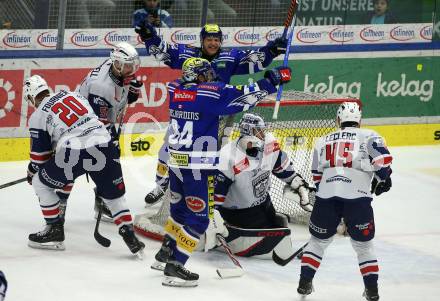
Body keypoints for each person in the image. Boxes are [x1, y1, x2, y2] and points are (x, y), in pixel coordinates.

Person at [151, 57, 292, 287]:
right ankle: (175, 266)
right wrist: (272, 80)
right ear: (198, 76)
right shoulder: (209, 94)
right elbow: (245, 96)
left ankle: (166, 251)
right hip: (197, 168)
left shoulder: (174, 89)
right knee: (198, 219)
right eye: (206, 74)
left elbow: (195, 88)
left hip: (176, 165)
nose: (210, 78)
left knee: (179, 213)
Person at [134, 22, 288, 206]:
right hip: (191, 110)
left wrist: (271, 50)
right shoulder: (188, 55)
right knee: (167, 148)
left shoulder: (230, 56)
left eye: (216, 40)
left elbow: (256, 60)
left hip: (220, 111)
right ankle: (162, 184)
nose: (213, 43)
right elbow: (164, 51)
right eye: (209, 39)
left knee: (215, 153)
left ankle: (211, 191)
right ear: (202, 40)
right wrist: (149, 37)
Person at [24, 75, 145, 256]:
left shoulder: (38, 114)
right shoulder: (74, 95)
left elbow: (40, 158)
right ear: (46, 88)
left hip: (74, 153)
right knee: (113, 197)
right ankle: (129, 233)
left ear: (31, 97)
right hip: (104, 143)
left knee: (41, 183)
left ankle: (54, 230)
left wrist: (33, 171)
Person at [296, 102, 393, 301]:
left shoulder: (322, 140)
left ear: (338, 120)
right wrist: (384, 179)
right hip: (358, 198)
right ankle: (372, 290)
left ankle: (304, 283)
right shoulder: (369, 135)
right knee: (364, 247)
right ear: (360, 120)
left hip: (327, 196)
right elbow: (383, 164)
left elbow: (316, 176)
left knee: (317, 243)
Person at [203, 113, 312, 260]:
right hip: (238, 214)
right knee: (272, 240)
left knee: (277, 226)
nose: (263, 135)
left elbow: (286, 172)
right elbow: (215, 195)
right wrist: (212, 217)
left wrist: (300, 187)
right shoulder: (228, 156)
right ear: (248, 131)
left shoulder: (268, 147)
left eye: (262, 131)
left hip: (265, 205)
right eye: (259, 131)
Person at [57, 42, 143, 223]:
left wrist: (131, 91)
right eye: (128, 66)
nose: (131, 70)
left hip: (95, 119)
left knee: (108, 161)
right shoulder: (101, 87)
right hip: (77, 126)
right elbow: (98, 127)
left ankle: (103, 201)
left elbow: (123, 95)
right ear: (117, 64)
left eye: (133, 66)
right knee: (72, 165)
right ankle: (58, 207)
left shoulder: (116, 69)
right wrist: (110, 141)